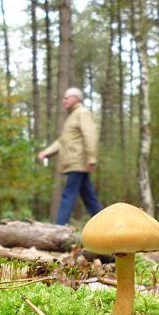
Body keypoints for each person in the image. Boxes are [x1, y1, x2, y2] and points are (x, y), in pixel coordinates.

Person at [37, 87, 103, 225]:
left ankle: (59, 227)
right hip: (75, 163)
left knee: (68, 194)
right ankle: (105, 226)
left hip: (78, 162)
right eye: (64, 98)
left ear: (77, 98)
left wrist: (91, 158)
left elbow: (90, 135)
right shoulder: (72, 117)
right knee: (89, 197)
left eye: (67, 97)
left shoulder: (82, 113)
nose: (64, 100)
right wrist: (46, 153)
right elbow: (62, 141)